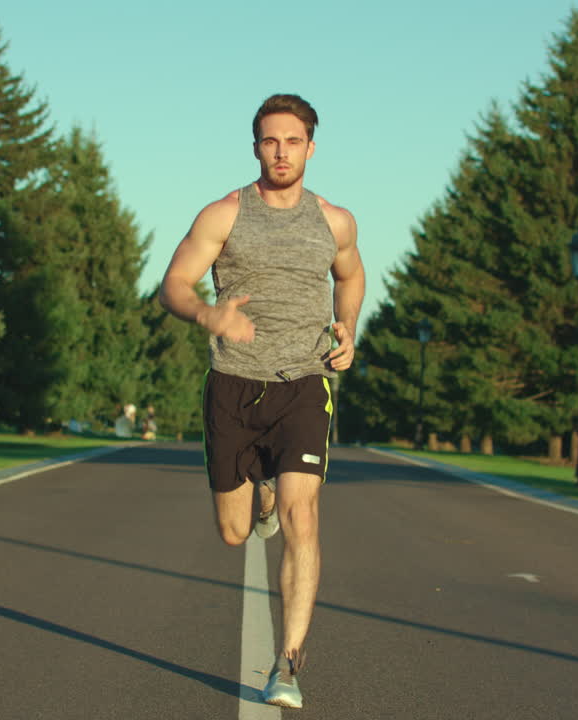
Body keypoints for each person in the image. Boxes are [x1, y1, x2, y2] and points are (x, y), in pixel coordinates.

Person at [158, 93, 364, 709]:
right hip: (234, 386)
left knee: (305, 517)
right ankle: (261, 494)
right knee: (233, 531)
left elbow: (350, 276)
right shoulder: (224, 214)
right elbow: (173, 282)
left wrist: (347, 327)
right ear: (256, 147)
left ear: (311, 147)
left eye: (293, 141)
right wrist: (206, 312)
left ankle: (288, 663)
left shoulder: (335, 221)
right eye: (271, 141)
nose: (282, 152)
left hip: (305, 381)